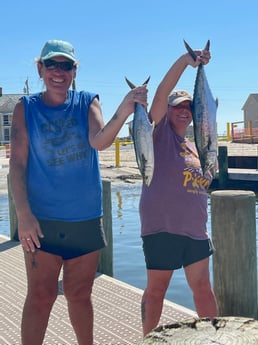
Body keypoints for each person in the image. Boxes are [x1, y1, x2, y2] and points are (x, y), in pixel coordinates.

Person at [9, 39, 147, 345]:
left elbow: (99, 141)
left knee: (80, 295)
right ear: (40, 68)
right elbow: (17, 166)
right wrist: (24, 215)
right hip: (42, 221)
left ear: (75, 70)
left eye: (66, 65)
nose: (59, 72)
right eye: (52, 65)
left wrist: (125, 109)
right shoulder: (25, 108)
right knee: (40, 297)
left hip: (85, 220)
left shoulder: (87, 100)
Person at [139, 44, 218, 336]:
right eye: (177, 107)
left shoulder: (196, 146)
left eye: (189, 107)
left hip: (196, 232)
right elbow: (161, 92)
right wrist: (187, 61)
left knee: (203, 290)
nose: (184, 112)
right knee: (156, 291)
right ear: (167, 112)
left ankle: (213, 337)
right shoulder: (158, 135)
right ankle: (147, 339)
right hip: (163, 229)